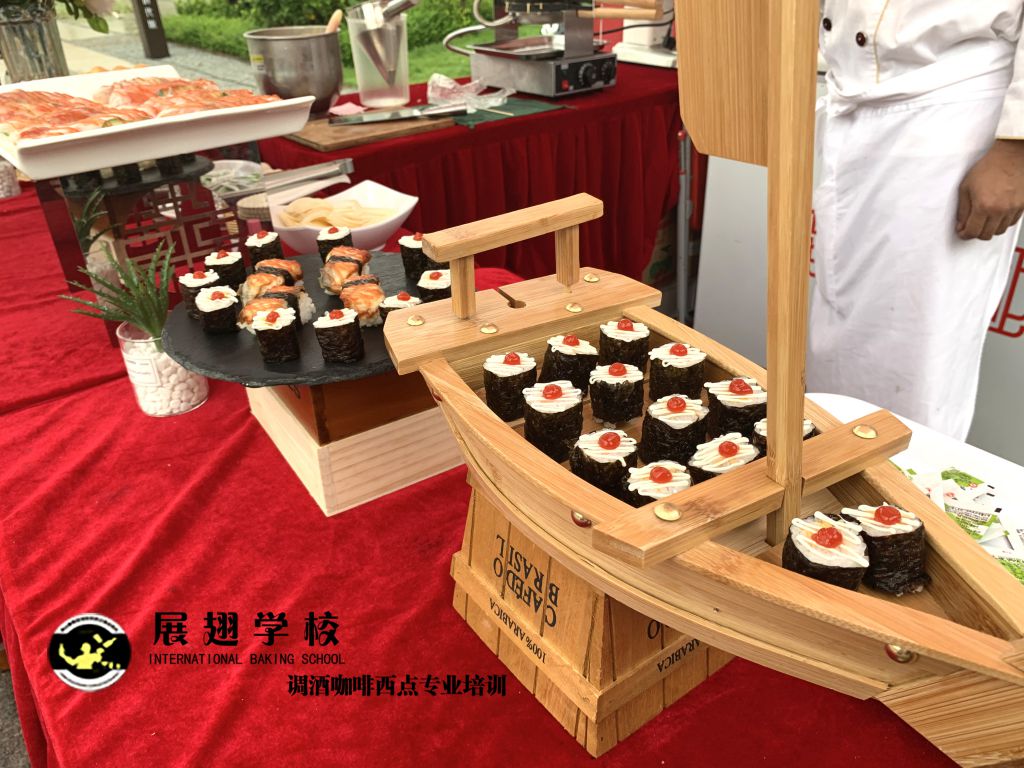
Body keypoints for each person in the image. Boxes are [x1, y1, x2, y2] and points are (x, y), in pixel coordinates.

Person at [807, 2, 1024, 440]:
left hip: (949, 110)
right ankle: (829, 471)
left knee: (917, 354)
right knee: (831, 341)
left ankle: (906, 480)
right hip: (849, 98)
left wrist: (1017, 147)